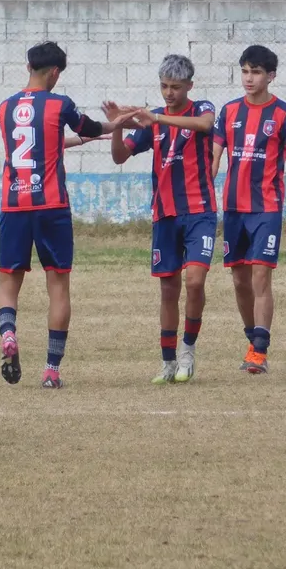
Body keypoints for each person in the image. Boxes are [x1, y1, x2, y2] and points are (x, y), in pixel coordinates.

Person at [0, 41, 133, 388]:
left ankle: (9, 333)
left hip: (13, 205)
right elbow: (87, 126)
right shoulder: (60, 104)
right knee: (58, 286)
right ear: (55, 73)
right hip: (51, 205)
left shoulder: (5, 107)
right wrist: (113, 124)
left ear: (28, 66)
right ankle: (51, 371)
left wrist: (79, 139)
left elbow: (37, 143)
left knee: (8, 283)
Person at [106, 54, 217, 385]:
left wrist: (157, 118)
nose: (169, 93)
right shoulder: (151, 122)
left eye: (176, 87)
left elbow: (206, 126)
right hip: (164, 215)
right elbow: (119, 156)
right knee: (168, 290)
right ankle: (168, 361)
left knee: (195, 281)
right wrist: (116, 126)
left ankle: (188, 350)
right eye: (165, 87)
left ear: (189, 87)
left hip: (200, 211)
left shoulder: (200, 109)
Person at [212, 45, 286, 374]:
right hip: (234, 209)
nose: (248, 78)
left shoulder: (284, 114)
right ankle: (252, 339)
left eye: (255, 72)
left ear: (271, 76)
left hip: (266, 208)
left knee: (260, 277)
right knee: (240, 281)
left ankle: (259, 351)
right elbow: (214, 160)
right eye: (245, 71)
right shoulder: (228, 112)